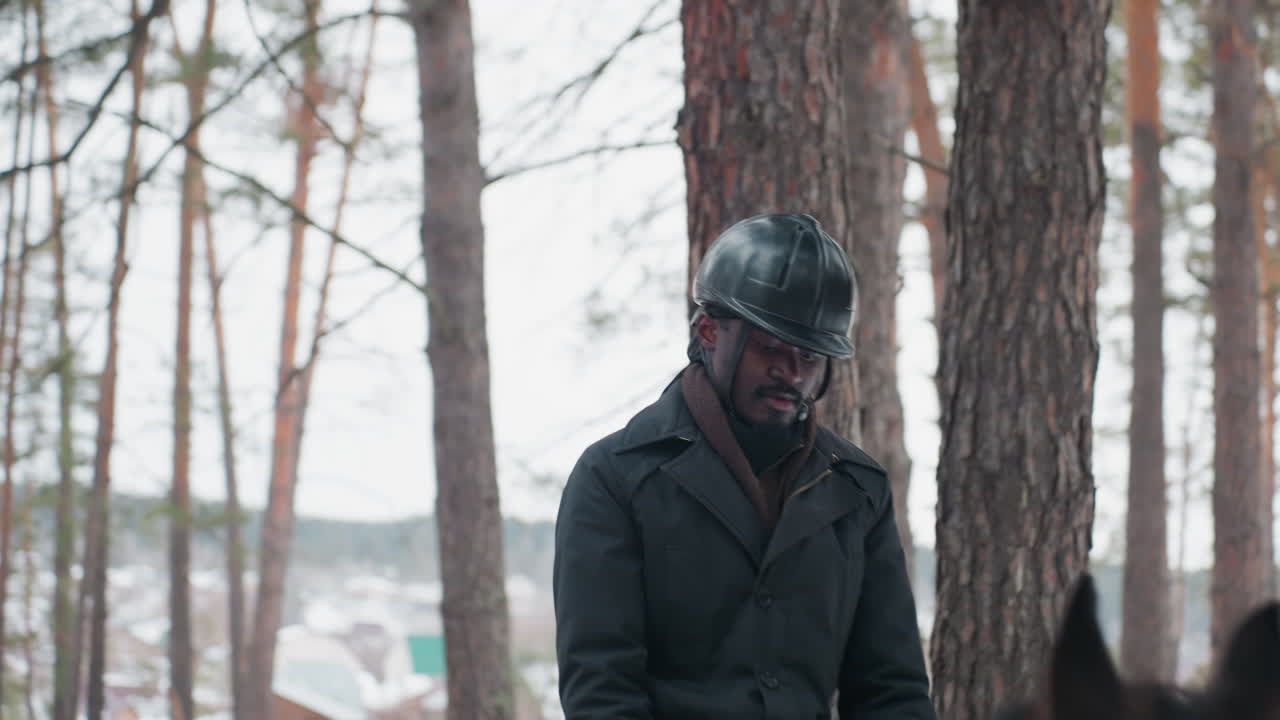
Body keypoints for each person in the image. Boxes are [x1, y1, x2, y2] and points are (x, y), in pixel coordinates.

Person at [552, 213, 936, 719]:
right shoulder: (614, 478)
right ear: (708, 330)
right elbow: (602, 694)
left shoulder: (857, 491)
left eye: (811, 356)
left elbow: (892, 692)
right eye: (771, 348)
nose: (792, 373)